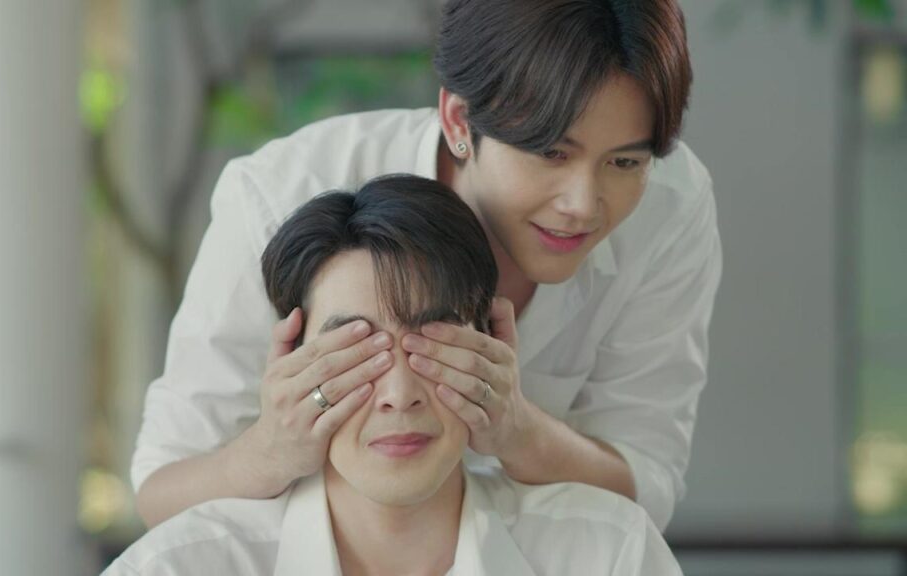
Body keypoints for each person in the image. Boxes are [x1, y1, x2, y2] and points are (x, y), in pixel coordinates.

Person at [132, 0, 722, 531]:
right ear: (460, 121)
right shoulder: (283, 193)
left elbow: (646, 488)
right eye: (550, 152)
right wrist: (272, 450)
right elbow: (160, 495)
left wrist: (518, 431)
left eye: (624, 163)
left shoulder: (669, 208)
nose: (583, 205)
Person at [105, 175, 682, 576]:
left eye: (433, 342)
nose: (400, 395)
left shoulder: (610, 555)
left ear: (495, 343)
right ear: (289, 366)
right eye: (357, 350)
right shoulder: (180, 567)